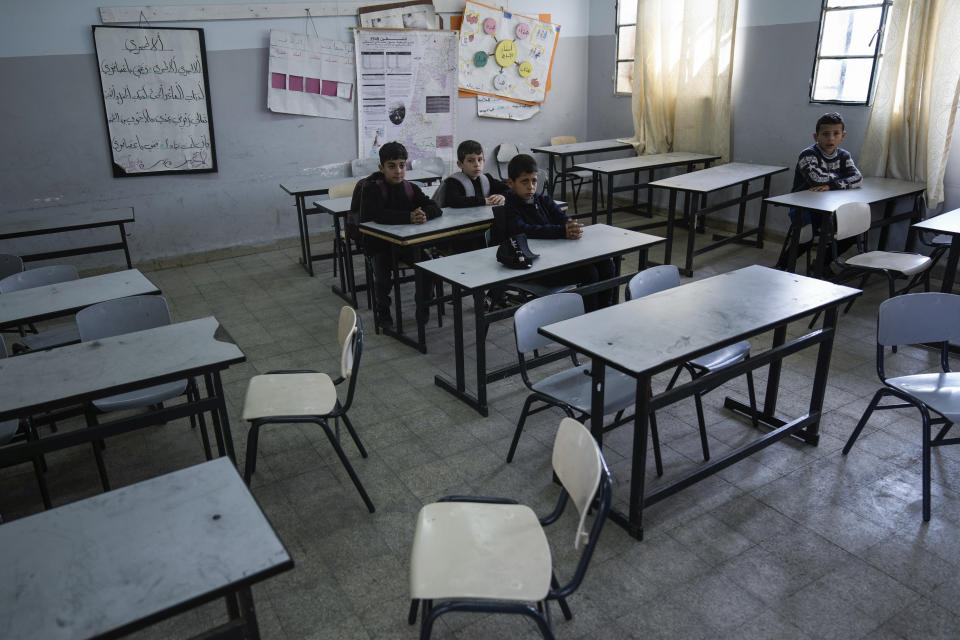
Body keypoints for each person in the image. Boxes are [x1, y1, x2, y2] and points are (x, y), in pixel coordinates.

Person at [501, 154, 615, 311]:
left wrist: (571, 226)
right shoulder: (509, 208)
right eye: (524, 181)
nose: (531, 187)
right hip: (537, 267)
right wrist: (562, 231)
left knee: (607, 264)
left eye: (534, 181)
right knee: (589, 273)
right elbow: (523, 230)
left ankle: (605, 311)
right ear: (511, 183)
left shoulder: (543, 201)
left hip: (557, 257)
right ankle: (590, 317)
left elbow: (562, 218)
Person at [358, 141, 441, 328]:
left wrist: (424, 214)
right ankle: (383, 311)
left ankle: (423, 307)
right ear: (381, 167)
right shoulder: (372, 188)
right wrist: (409, 217)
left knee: (428, 270)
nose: (398, 171)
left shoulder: (410, 188)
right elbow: (377, 215)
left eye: (402, 165)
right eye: (392, 166)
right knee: (383, 279)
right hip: (380, 244)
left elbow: (435, 207)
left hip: (407, 244)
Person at [776, 112, 863, 270]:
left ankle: (821, 265)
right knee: (806, 237)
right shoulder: (808, 155)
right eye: (825, 134)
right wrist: (840, 176)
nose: (831, 139)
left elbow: (857, 178)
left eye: (836, 134)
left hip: (830, 208)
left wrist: (832, 185)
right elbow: (816, 179)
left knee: (851, 234)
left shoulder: (844, 156)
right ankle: (782, 267)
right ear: (816, 136)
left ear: (843, 136)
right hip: (803, 208)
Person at [438, 140, 509, 208]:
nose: (477, 164)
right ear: (460, 164)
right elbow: (454, 201)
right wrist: (484, 201)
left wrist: (502, 196)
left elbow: (509, 189)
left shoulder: (487, 178)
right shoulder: (452, 182)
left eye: (479, 160)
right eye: (470, 161)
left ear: (484, 161)